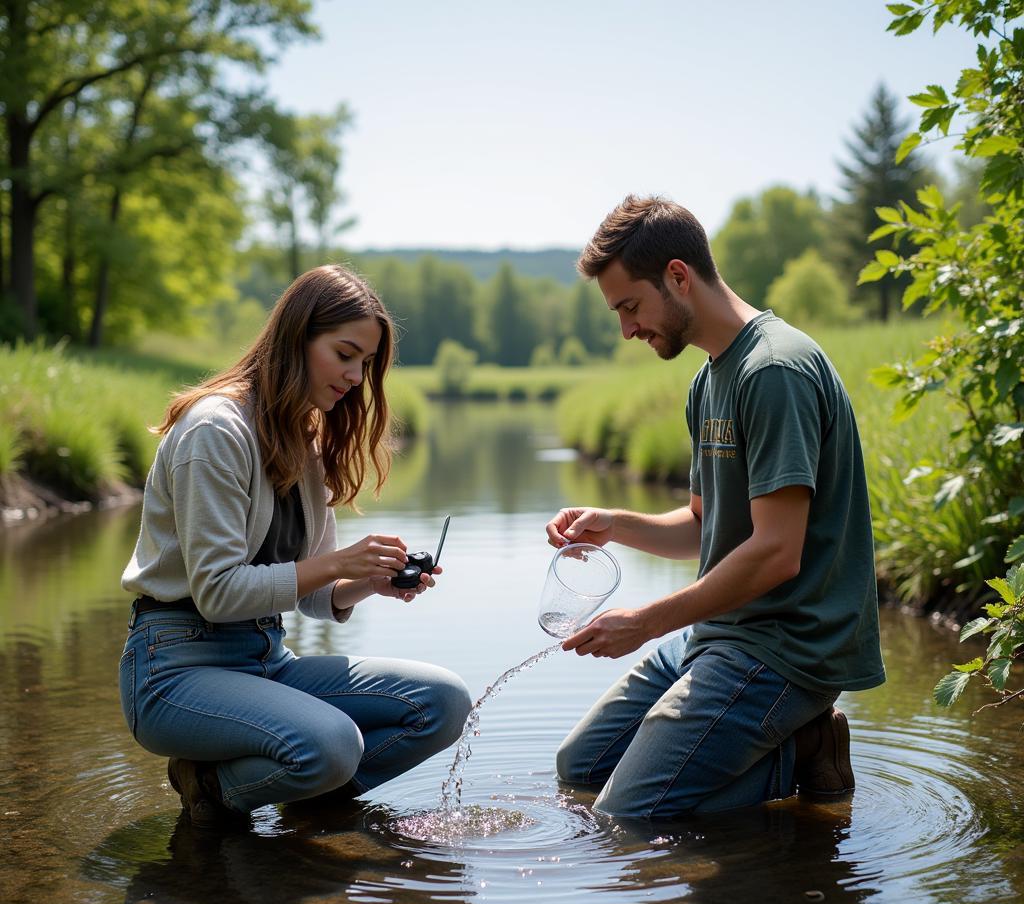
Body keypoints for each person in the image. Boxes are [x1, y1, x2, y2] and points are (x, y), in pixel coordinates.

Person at [547, 195, 884, 819]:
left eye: (630, 306)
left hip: (787, 648)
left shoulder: (775, 370)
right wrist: (614, 524)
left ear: (679, 276)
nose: (626, 329)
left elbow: (777, 553)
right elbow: (704, 526)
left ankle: (804, 745)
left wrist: (646, 620)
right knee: (581, 769)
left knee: (628, 816)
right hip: (724, 632)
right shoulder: (709, 380)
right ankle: (776, 749)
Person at [119, 265, 471, 828]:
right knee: (333, 744)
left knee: (444, 703)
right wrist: (336, 561)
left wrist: (368, 581)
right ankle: (211, 784)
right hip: (174, 669)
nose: (356, 376)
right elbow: (215, 594)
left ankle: (308, 803)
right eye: (345, 354)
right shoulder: (215, 432)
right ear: (296, 339)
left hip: (265, 658)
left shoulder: (304, 436)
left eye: (366, 364)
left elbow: (312, 594)